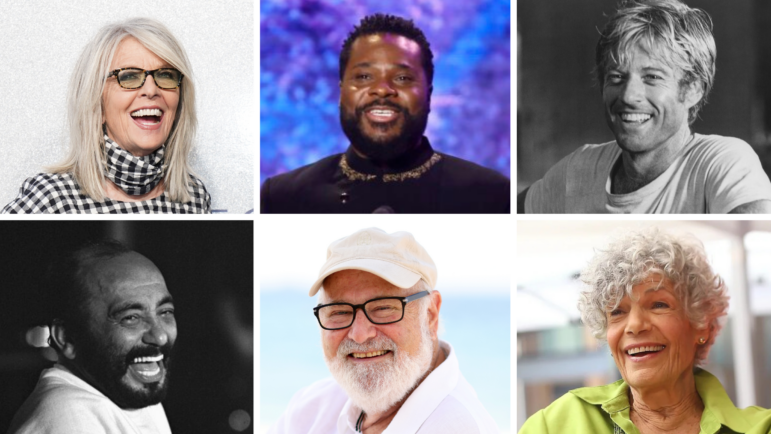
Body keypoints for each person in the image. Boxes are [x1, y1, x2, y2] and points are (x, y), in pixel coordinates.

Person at [519, 0, 771, 214]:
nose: (628, 95)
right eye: (616, 76)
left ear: (693, 89)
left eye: (652, 77)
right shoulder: (577, 170)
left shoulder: (723, 162)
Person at [519, 229, 771, 433]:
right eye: (617, 311)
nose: (635, 325)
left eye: (659, 304)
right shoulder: (553, 426)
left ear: (701, 323)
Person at [260, 14, 510, 214]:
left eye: (402, 78)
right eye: (364, 77)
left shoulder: (490, 195)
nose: (381, 89)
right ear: (341, 92)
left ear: (428, 94)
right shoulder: (284, 197)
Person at [269, 228, 499, 433]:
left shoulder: (459, 426)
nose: (359, 334)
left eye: (383, 308)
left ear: (430, 314)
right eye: (339, 312)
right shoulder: (309, 410)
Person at [2, 18, 210, 214]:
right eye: (129, 76)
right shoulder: (52, 198)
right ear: (97, 102)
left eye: (166, 75)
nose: (151, 90)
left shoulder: (194, 197)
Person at [8, 240, 176, 433]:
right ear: (67, 339)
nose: (160, 336)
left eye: (165, 312)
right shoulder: (69, 420)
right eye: (131, 318)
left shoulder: (125, 390)